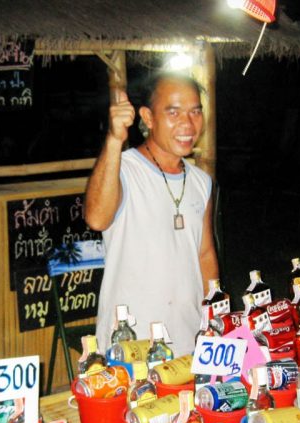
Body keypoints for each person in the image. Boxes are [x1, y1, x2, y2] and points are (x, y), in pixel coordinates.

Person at [84, 72, 219, 356]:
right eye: (174, 112)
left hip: (190, 338)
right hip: (132, 341)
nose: (188, 123)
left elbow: (205, 253)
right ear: (148, 117)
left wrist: (216, 315)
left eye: (195, 111)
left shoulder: (200, 181)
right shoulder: (124, 169)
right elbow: (96, 218)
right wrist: (113, 140)